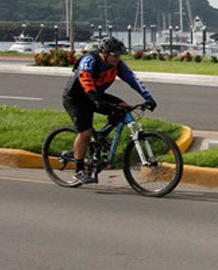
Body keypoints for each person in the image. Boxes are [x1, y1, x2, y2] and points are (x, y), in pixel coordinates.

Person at [62, 36, 157, 184]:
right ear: (104, 53)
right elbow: (85, 78)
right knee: (85, 133)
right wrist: (96, 100)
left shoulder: (118, 65)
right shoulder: (90, 60)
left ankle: (101, 137)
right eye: (115, 56)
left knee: (124, 108)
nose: (117, 59)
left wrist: (149, 98)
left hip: (96, 95)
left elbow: (133, 80)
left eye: (119, 56)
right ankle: (79, 172)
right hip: (76, 98)